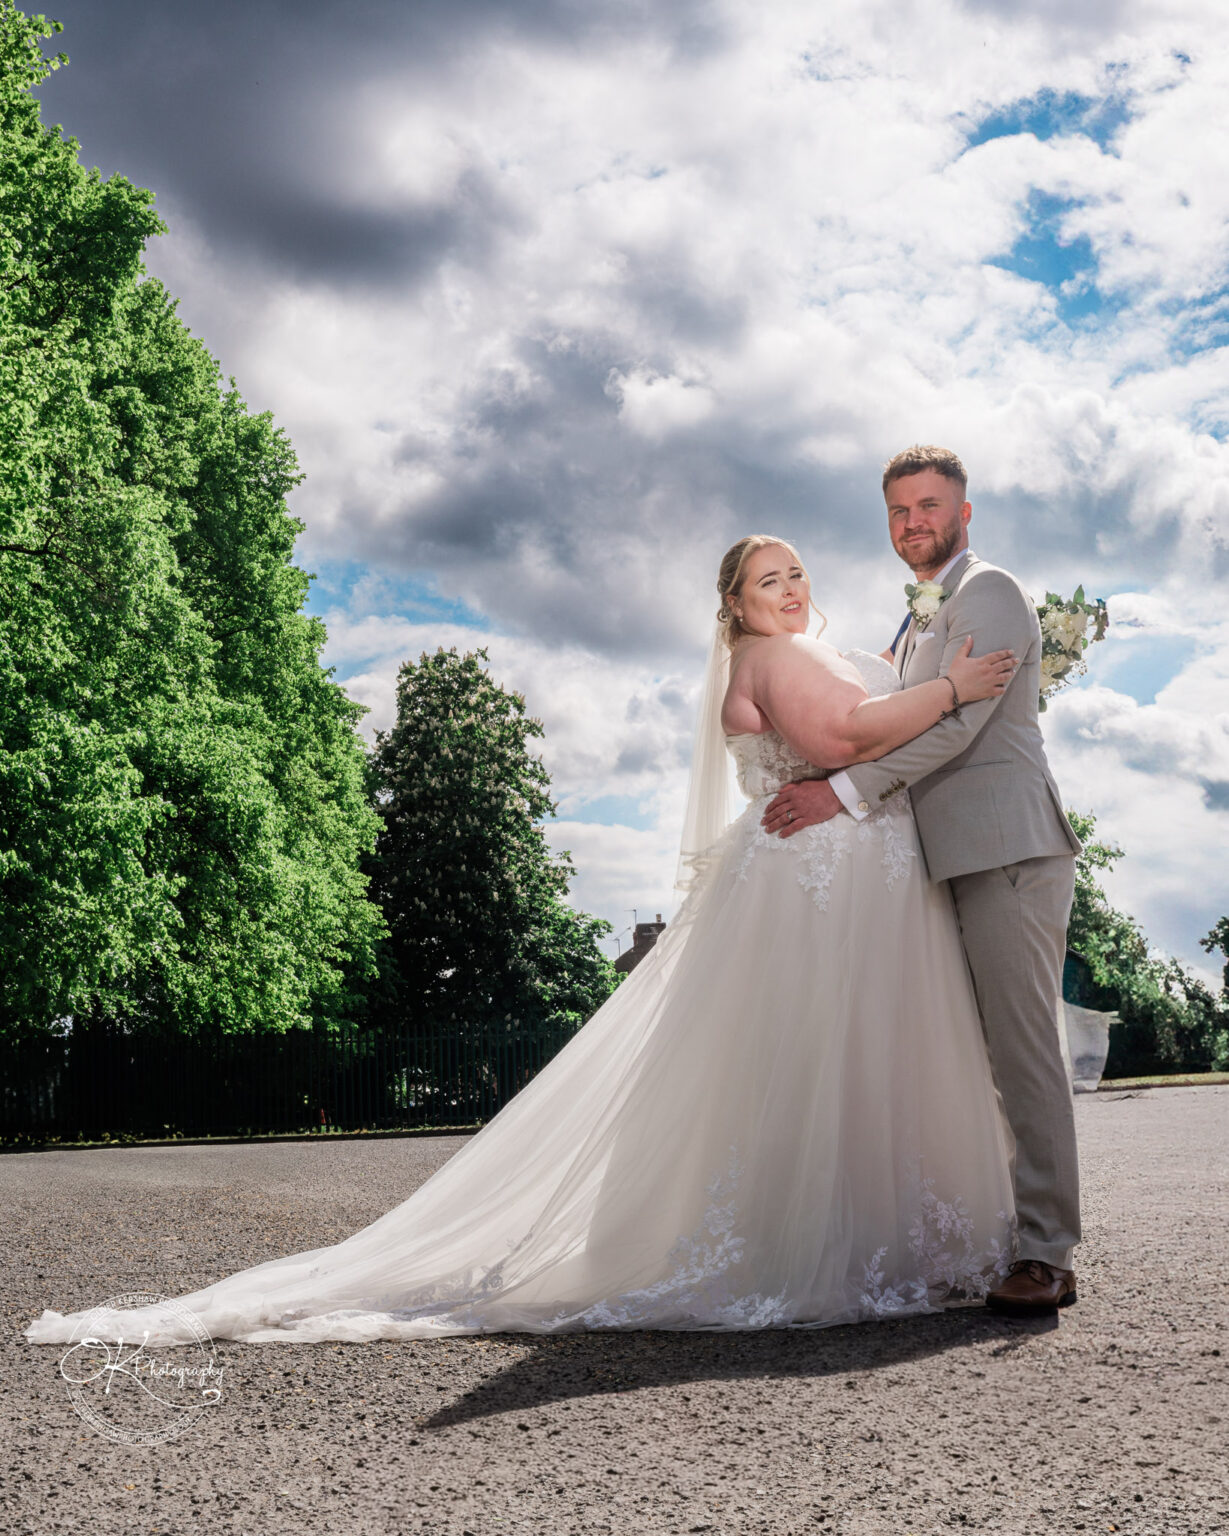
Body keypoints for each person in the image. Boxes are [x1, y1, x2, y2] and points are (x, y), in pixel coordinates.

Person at [26, 536, 1020, 1348]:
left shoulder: (812, 648)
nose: (792, 589)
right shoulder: (768, 659)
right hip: (811, 883)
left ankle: (877, 1238)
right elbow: (848, 740)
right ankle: (818, 1244)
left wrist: (934, 677)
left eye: (798, 571)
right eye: (769, 581)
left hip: (850, 877)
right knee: (811, 1058)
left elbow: (871, 717)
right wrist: (954, 687)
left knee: (844, 1060)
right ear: (735, 608)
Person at [762, 445, 1083, 1317]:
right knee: (970, 1058)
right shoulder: (918, 616)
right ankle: (991, 1236)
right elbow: (892, 719)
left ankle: (1048, 1254)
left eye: (929, 506)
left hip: (1006, 850)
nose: (913, 523)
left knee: (1020, 1052)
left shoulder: (988, 592)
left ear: (964, 511)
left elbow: (953, 732)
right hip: (945, 858)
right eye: (899, 510)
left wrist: (839, 794)